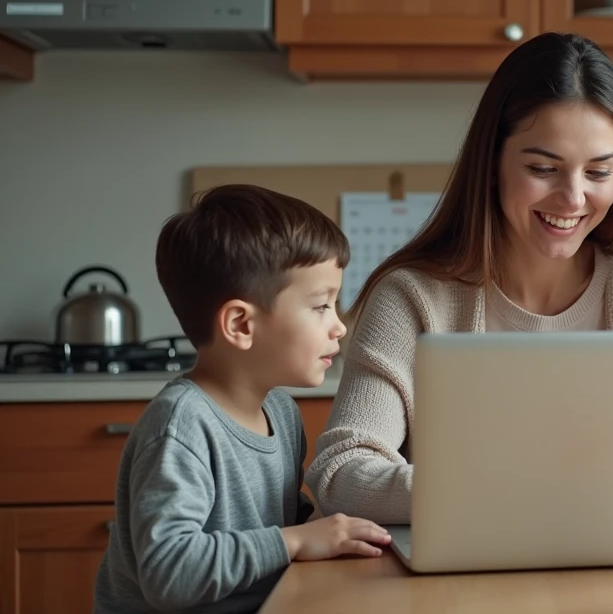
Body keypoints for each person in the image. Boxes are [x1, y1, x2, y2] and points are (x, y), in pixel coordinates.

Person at [305, 32, 613, 524]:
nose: (573, 198)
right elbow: (341, 474)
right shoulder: (411, 298)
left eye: (599, 172)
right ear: (492, 162)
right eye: (543, 168)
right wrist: (510, 491)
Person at [93, 185, 392, 614]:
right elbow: (170, 575)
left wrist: (334, 528)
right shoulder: (181, 429)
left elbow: (282, 522)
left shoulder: (281, 412)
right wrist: (295, 540)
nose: (339, 326)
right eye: (320, 306)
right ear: (240, 325)